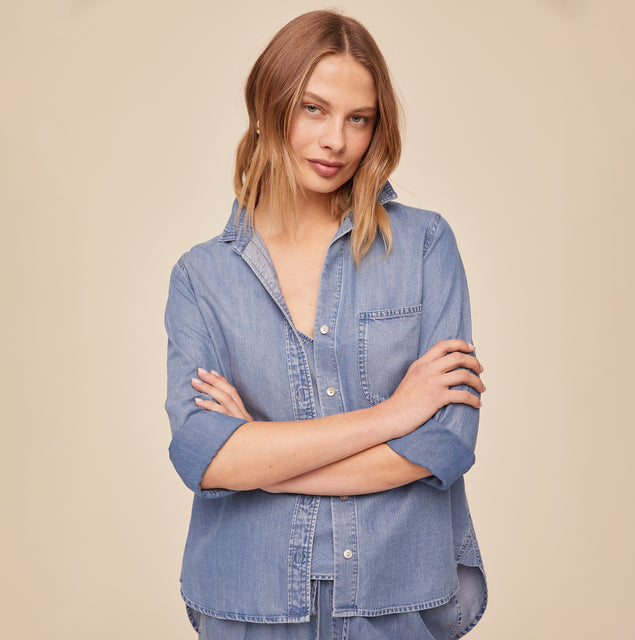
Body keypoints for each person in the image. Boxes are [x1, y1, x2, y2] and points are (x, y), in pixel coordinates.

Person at [165, 10, 487, 639]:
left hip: (396, 601)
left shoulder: (424, 246)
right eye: (313, 109)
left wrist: (260, 457)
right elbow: (205, 457)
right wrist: (392, 415)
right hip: (249, 604)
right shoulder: (202, 277)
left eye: (358, 118)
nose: (335, 140)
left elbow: (445, 443)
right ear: (269, 106)